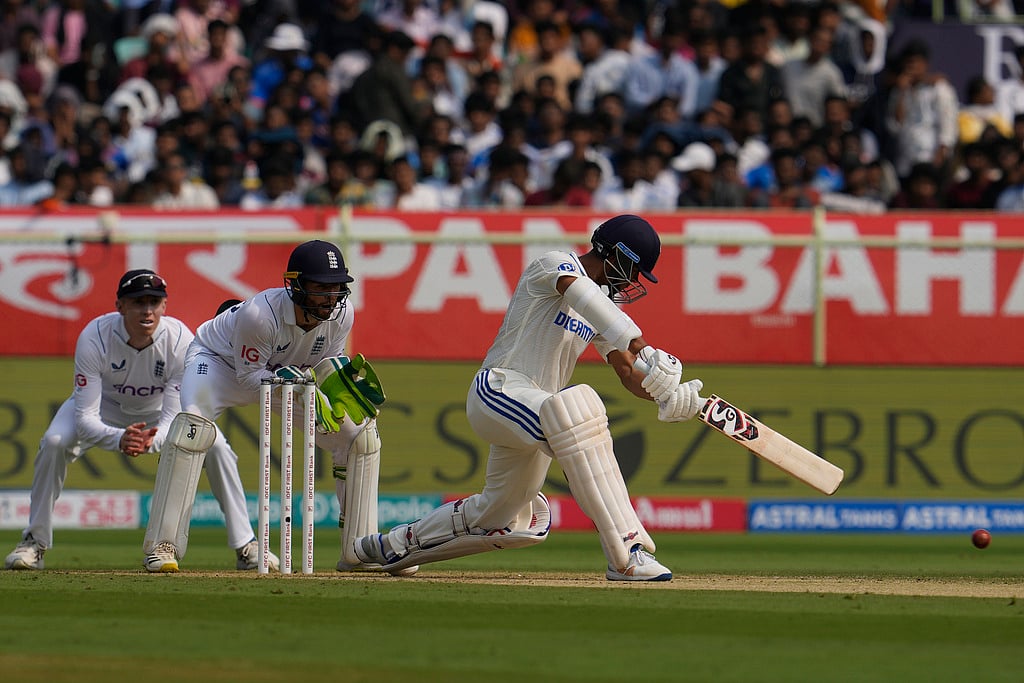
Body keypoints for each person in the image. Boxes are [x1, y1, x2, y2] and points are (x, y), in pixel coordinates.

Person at [353, 215, 703, 582]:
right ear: (614, 254)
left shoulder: (604, 307)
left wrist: (668, 394)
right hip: (499, 389)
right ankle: (627, 554)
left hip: (538, 412)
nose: (632, 282)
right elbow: (579, 293)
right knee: (578, 410)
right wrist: (644, 345)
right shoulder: (554, 264)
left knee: (500, 515)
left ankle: (388, 545)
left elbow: (629, 373)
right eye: (633, 270)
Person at [142, 240, 415, 576]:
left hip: (291, 377)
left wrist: (337, 385)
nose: (330, 298)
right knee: (191, 429)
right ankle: (162, 546)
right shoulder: (260, 315)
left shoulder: (343, 314)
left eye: (336, 289)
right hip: (220, 365)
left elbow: (328, 363)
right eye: (320, 288)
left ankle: (358, 549)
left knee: (360, 438)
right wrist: (284, 379)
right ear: (296, 285)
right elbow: (247, 377)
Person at [4, 270, 263, 570]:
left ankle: (246, 546)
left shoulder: (180, 340)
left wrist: (152, 440)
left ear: (164, 306)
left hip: (158, 414)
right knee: (54, 442)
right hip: (105, 408)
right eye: (138, 302)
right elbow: (86, 417)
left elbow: (172, 416)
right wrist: (118, 439)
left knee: (216, 447)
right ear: (120, 306)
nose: (147, 310)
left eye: (155, 302)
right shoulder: (94, 336)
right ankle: (34, 542)